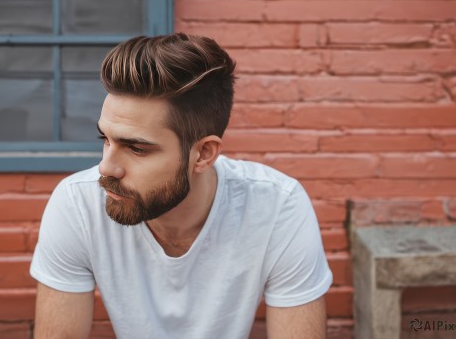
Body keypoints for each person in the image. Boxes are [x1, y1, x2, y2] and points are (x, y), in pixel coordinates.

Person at [30, 33, 332, 339]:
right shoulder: (77, 204)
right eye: (105, 139)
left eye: (137, 149)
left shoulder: (277, 207)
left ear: (203, 154)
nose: (106, 167)